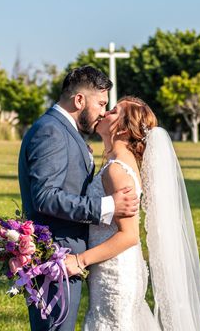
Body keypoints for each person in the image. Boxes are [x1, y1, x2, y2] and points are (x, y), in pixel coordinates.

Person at [65, 96, 200, 331]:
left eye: (113, 111)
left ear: (121, 130)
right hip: (118, 267)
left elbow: (129, 235)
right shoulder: (120, 163)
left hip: (115, 272)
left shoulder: (117, 171)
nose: (105, 113)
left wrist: (81, 260)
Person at [18, 66, 140, 331]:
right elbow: (45, 196)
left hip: (69, 257)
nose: (103, 112)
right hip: (56, 257)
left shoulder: (64, 130)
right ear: (79, 100)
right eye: (101, 103)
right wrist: (107, 205)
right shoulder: (51, 131)